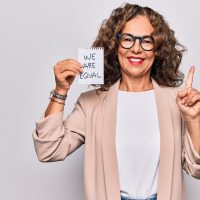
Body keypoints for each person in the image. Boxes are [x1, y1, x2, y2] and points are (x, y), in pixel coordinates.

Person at [32, 3, 200, 200]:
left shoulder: (177, 102)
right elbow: (48, 150)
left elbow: (196, 169)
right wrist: (60, 91)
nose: (136, 49)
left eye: (147, 41)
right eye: (128, 39)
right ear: (115, 45)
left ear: (157, 49)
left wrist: (193, 119)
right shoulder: (91, 103)